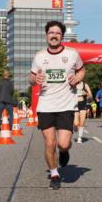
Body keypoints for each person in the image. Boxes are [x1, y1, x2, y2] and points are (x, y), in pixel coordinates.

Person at [29, 20, 85, 190]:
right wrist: (34, 79)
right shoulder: (39, 56)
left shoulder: (72, 54)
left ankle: (64, 152)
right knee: (49, 143)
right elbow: (31, 78)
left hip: (66, 105)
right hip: (46, 105)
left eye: (57, 33)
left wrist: (78, 77)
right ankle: (54, 173)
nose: (54, 35)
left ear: (62, 36)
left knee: (63, 144)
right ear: (47, 35)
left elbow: (82, 69)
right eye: (51, 33)